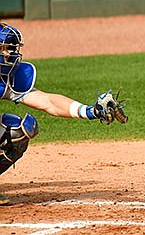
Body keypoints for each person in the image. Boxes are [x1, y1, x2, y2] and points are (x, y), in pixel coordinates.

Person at [0, 23, 127, 205]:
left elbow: (47, 101)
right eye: (2, 49)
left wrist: (89, 111)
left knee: (16, 132)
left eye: (10, 49)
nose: (8, 55)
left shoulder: (7, 78)